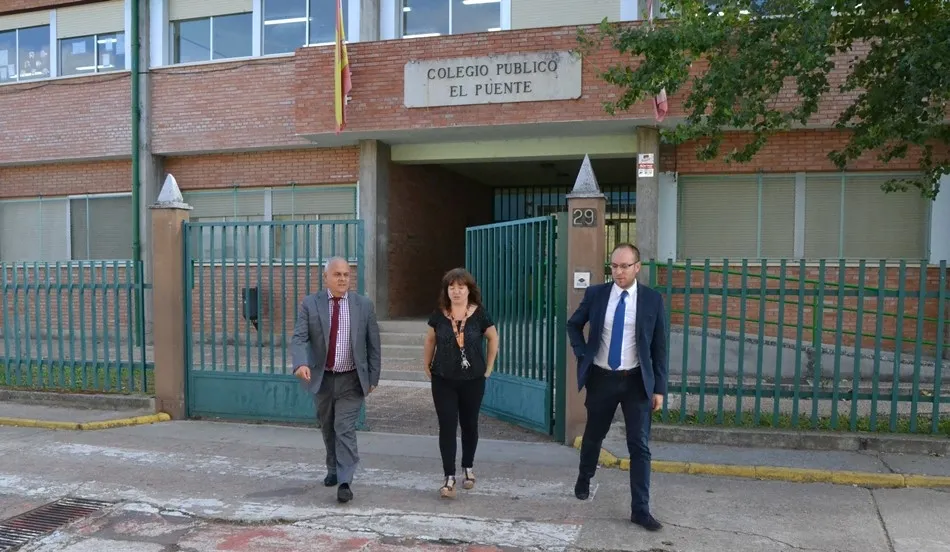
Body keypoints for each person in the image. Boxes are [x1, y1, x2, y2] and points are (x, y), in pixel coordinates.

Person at [566, 243, 668, 531]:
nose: (619, 271)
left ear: (637, 267)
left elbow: (659, 348)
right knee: (594, 436)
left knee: (639, 446)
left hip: (636, 381)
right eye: (614, 266)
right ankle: (584, 477)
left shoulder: (652, 300)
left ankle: (640, 510)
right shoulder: (597, 294)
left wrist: (658, 388)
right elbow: (573, 325)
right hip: (602, 379)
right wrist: (582, 352)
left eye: (625, 266)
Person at [292, 256, 381, 503]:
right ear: (326, 278)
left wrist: (374, 376)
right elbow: (299, 337)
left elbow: (373, 343)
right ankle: (333, 468)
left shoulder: (363, 305)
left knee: (344, 428)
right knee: (328, 426)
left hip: (352, 379)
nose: (343, 279)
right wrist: (300, 363)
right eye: (337, 274)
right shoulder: (311, 304)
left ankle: (345, 481)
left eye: (346, 274)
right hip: (323, 378)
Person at [422, 268, 499, 499]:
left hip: (473, 380)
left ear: (469, 289)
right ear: (447, 290)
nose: (456, 291)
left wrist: (489, 366)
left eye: (460, 287)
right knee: (446, 425)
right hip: (443, 379)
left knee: (469, 424)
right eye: (451, 287)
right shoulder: (439, 314)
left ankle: (468, 468)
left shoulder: (479, 314)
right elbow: (430, 339)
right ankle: (449, 477)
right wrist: (426, 364)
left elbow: (493, 337)